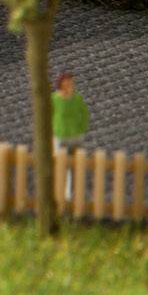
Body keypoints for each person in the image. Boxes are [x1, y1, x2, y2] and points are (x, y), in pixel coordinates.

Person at [54, 71, 90, 207]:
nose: (70, 85)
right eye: (67, 83)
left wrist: (81, 128)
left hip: (75, 136)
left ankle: (72, 194)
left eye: (71, 83)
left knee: (75, 166)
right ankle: (61, 193)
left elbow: (84, 113)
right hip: (60, 135)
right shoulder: (55, 99)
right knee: (61, 165)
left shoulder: (77, 98)